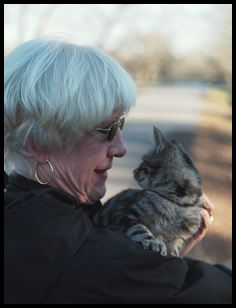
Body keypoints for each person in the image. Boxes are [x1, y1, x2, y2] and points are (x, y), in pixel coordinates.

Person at [4, 37, 231, 304]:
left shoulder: (22, 214)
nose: (120, 148)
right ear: (39, 144)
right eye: (107, 129)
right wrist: (159, 270)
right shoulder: (84, 257)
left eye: (121, 125)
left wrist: (168, 250)